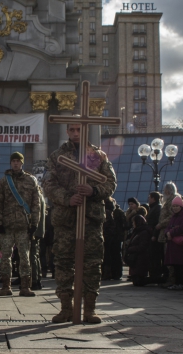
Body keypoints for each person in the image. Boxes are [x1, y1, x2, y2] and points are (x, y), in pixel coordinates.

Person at [43, 123, 117, 323]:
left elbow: (110, 182)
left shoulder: (98, 156)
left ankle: (90, 309)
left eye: (79, 129)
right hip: (66, 220)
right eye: (72, 130)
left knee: (92, 263)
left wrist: (94, 191)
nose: (76, 133)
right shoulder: (57, 156)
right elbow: (48, 184)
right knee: (63, 263)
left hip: (90, 219)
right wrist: (68, 198)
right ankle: (66, 307)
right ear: (67, 131)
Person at [0, 152, 41, 297]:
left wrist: (35, 223)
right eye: (13, 161)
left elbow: (36, 203)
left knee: (24, 257)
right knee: (6, 256)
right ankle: (6, 286)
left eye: (18, 161)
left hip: (23, 225)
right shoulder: (3, 182)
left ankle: (25, 286)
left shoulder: (31, 180)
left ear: (22, 163)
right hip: (7, 226)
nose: (15, 163)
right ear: (10, 163)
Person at [164, 196, 183, 290]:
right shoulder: (174, 215)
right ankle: (176, 282)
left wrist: (171, 232)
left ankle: (181, 283)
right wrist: (167, 232)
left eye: (177, 206)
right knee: (175, 264)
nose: (175, 208)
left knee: (181, 265)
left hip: (180, 243)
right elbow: (169, 226)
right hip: (173, 243)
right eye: (174, 206)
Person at [156, 182, 179, 287]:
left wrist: (161, 224)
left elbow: (172, 216)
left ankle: (172, 279)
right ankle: (168, 278)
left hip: (169, 232)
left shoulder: (174, 200)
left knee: (170, 257)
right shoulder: (168, 200)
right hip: (164, 233)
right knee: (165, 257)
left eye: (165, 190)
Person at [126, 215, 152, 286]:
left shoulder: (143, 232)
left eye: (133, 222)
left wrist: (131, 248)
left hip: (140, 257)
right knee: (136, 281)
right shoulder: (137, 231)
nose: (132, 224)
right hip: (136, 257)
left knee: (139, 281)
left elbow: (142, 246)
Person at [146, 191, 163, 284]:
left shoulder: (157, 208)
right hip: (151, 233)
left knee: (154, 256)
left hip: (153, 234)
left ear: (153, 198)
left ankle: (155, 274)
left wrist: (154, 235)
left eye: (149, 197)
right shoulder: (153, 208)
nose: (148, 199)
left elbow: (156, 222)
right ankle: (153, 273)